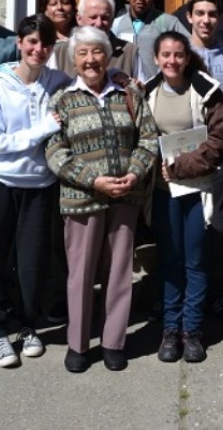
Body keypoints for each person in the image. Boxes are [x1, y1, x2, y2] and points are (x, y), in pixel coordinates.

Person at [46, 26, 159, 373]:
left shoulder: (128, 94)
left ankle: (114, 342)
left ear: (108, 55)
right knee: (80, 274)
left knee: (119, 273)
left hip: (125, 197)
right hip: (82, 201)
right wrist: (94, 180)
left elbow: (149, 138)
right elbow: (54, 151)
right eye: (83, 53)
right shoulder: (62, 100)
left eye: (97, 52)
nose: (91, 60)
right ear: (73, 59)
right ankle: (78, 344)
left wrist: (134, 174)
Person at [0, 14, 71, 368]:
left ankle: (28, 325)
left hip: (40, 186)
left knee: (32, 262)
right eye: (31, 42)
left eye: (45, 44)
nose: (38, 49)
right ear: (19, 43)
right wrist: (42, 129)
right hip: (1, 183)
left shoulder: (59, 82)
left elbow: (88, 86)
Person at [144, 32, 223, 364]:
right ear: (156, 58)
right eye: (165, 55)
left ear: (187, 57)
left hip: (199, 189)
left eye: (178, 55)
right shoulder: (146, 92)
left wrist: (180, 167)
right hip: (163, 191)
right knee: (170, 262)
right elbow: (140, 137)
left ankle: (192, 331)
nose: (172, 61)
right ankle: (170, 328)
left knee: (196, 261)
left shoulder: (206, 89)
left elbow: (221, 138)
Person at [183, 0, 223, 324]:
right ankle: (183, 292)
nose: (206, 20)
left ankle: (217, 293)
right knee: (185, 229)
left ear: (220, 19)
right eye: (200, 13)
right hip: (184, 158)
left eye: (212, 14)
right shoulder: (177, 54)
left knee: (217, 231)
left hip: (220, 157)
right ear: (189, 17)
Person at [111, 0, 188, 80]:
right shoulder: (116, 24)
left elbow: (190, 48)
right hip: (123, 90)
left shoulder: (167, 22)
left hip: (156, 89)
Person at [51, 0, 137, 77]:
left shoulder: (129, 52)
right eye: (93, 17)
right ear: (79, 19)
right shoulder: (59, 53)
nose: (99, 23)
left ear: (112, 21)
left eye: (104, 18)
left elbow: (141, 89)